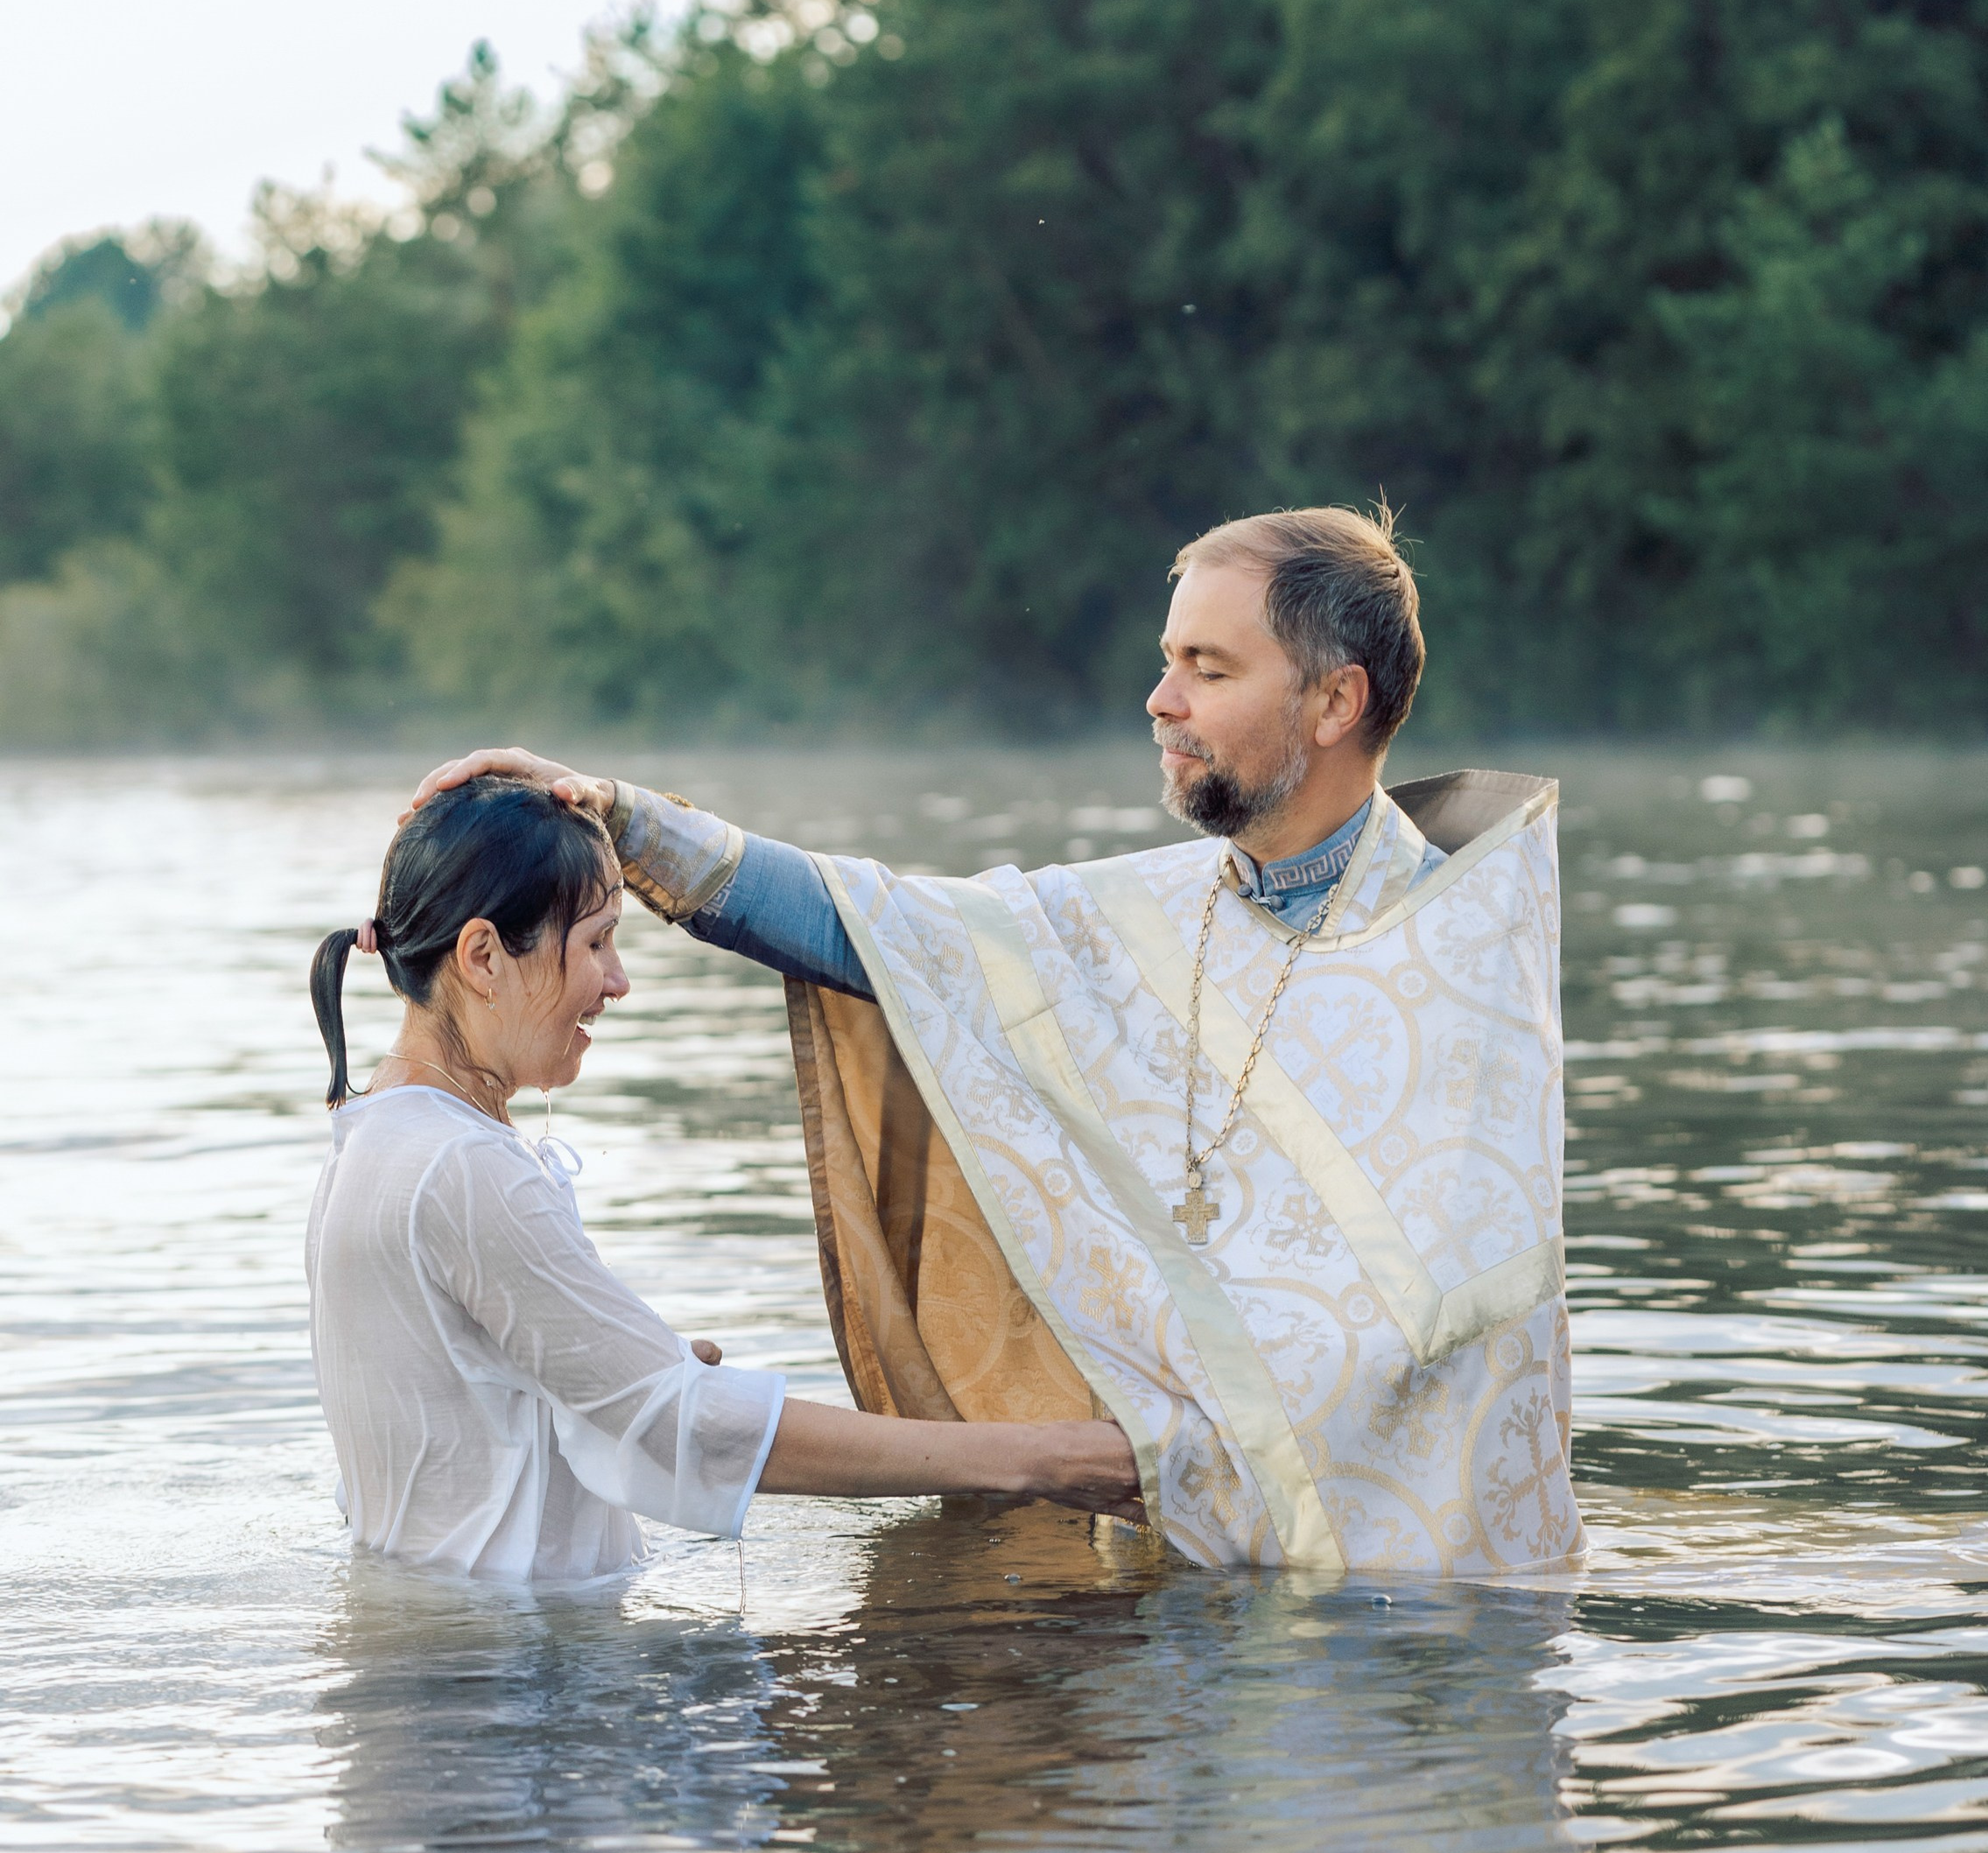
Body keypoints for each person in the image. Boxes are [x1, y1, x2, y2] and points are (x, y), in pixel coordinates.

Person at [411, 504, 1584, 1579]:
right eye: (1165, 660)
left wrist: (1156, 1442)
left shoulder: (1461, 949)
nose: (1158, 700)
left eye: (1206, 668)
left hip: (1419, 1615)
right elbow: (875, 928)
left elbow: (1430, 1329)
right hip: (1166, 1558)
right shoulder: (1151, 909)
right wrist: (618, 814)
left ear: (1332, 703)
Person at [307, 776, 1140, 1582]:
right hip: (517, 1687)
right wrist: (1044, 1459)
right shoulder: (462, 1166)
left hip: (447, 1660)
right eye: (596, 942)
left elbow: (479, 1406)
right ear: (483, 956)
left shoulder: (372, 1135)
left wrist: (638, 1362)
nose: (618, 981)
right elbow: (680, 1425)